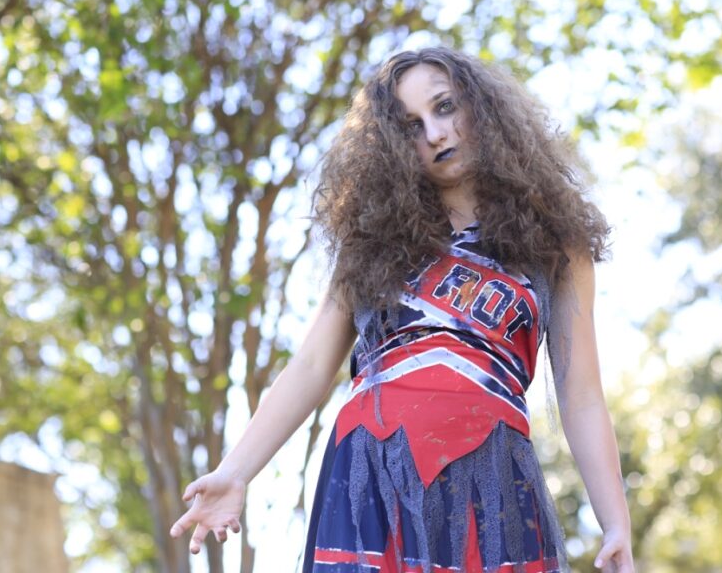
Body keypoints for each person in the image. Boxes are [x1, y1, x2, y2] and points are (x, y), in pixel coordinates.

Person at [169, 46, 635, 573]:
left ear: (483, 107)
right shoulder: (372, 242)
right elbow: (310, 365)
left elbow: (582, 396)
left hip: (493, 474)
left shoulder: (557, 243)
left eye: (444, 107)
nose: (436, 133)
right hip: (370, 471)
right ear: (391, 146)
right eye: (411, 126)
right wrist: (236, 472)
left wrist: (615, 522)